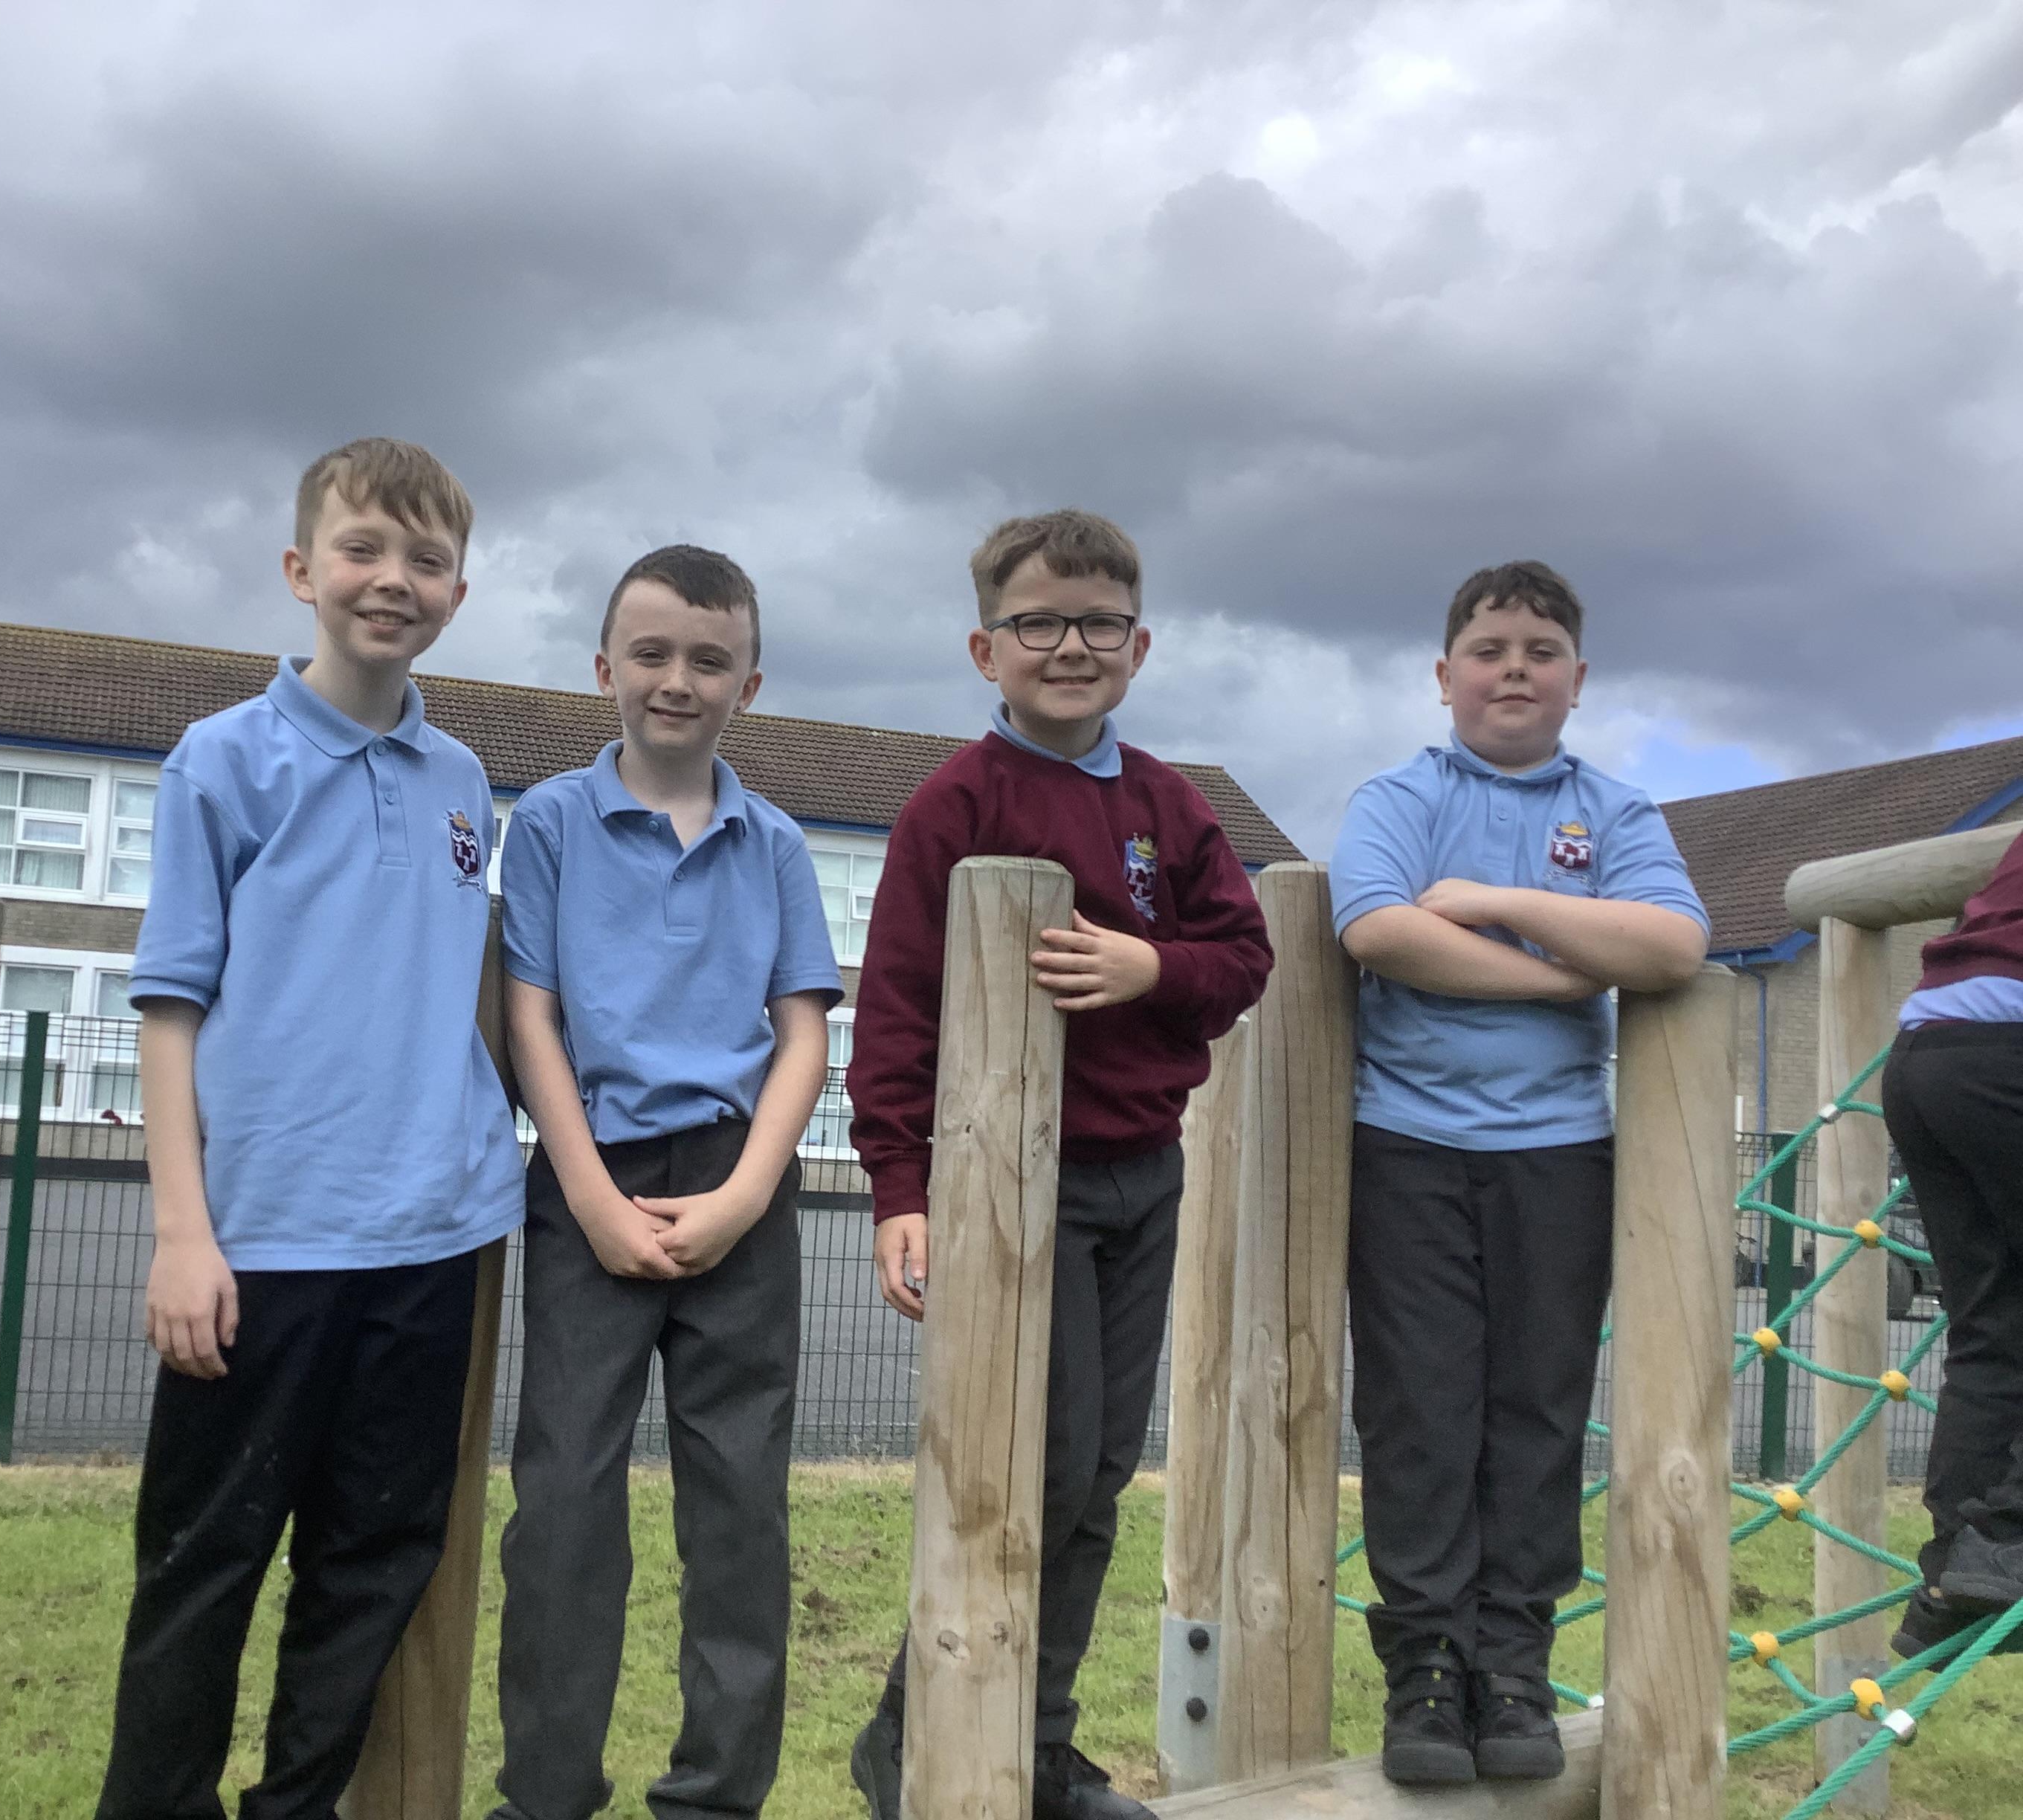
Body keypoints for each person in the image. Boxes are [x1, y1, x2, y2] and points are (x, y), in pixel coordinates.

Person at [94, 438, 524, 1820]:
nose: (392, 579)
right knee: (204, 1561)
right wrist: (183, 1233)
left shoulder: (462, 778)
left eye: (426, 560)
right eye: (361, 549)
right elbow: (171, 1007)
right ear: (300, 569)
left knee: (375, 1558)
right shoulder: (223, 760)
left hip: (434, 1237)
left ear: (458, 593)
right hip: (262, 1238)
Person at [846, 510, 1274, 1820]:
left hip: (1143, 1174)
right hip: (1008, 1187)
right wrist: (899, 1188)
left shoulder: (1166, 806)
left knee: (1092, 1478)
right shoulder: (955, 806)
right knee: (1033, 1461)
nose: (1070, 645)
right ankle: (930, 1728)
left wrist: (1152, 967)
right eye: (1038, 622)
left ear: (1139, 647)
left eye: (1098, 623)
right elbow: (895, 1010)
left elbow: (1241, 956)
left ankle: (1032, 1741)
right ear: (987, 647)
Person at [1329, 561, 1707, 1787]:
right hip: (1408, 1146)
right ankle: (1427, 1671)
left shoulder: (1617, 813)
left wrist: (1498, 901)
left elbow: (1670, 942)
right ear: (1444, 675)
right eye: (1488, 650)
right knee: (1420, 1408)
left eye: (1540, 652)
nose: (1512, 670)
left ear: (1576, 679)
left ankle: (1513, 1668)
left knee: (1539, 1409)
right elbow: (1380, 927)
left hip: (1559, 1153)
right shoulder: (1398, 797)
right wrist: (1567, 970)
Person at [488, 546, 842, 1820]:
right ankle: (545, 1792)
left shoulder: (776, 843)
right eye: (650, 654)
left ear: (749, 682)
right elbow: (530, 1017)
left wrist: (745, 1196)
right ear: (605, 669)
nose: (676, 679)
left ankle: (714, 1796)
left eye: (708, 659)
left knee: (739, 1507)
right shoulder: (549, 824)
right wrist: (586, 1194)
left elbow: (802, 1033)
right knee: (564, 1502)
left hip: (739, 1188)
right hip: (591, 1178)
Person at [1882, 829, 2023, 1659]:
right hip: (2010, 1048)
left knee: (1993, 1322)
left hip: (1927, 1050)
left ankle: (1954, 1576)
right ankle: (2004, 1541)